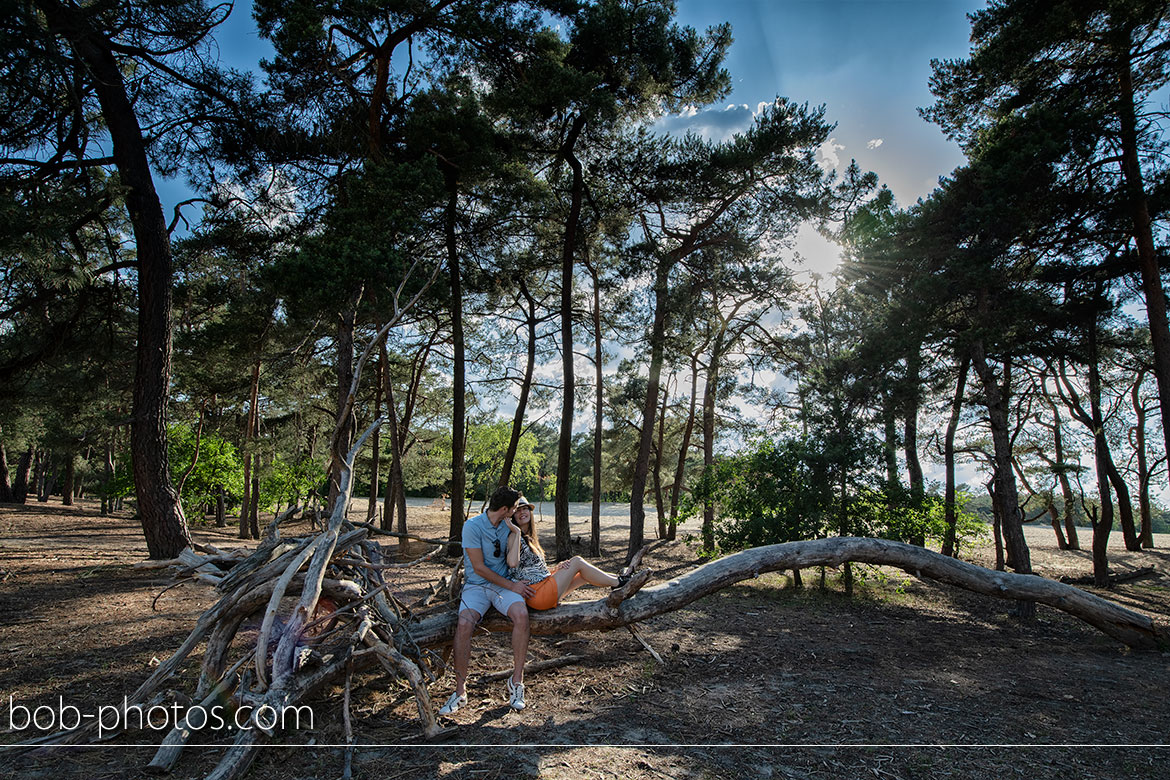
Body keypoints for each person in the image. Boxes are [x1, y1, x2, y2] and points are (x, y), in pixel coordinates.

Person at [438, 485, 532, 716]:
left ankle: (516, 683)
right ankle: (460, 691)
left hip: (502, 586)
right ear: (504, 508)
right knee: (464, 624)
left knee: (521, 614)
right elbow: (478, 568)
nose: (515, 512)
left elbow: (515, 559)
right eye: (513, 508)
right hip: (477, 586)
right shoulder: (472, 526)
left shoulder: (510, 526)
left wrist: (515, 532)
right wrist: (512, 586)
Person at [504, 496, 646, 610]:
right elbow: (512, 564)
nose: (522, 512)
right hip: (537, 594)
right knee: (577, 561)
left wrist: (555, 568)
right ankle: (619, 582)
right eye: (518, 510)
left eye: (525, 509)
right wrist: (515, 532)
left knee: (584, 575)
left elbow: (533, 570)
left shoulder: (530, 537)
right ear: (512, 516)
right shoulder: (513, 536)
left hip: (543, 585)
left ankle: (620, 579)